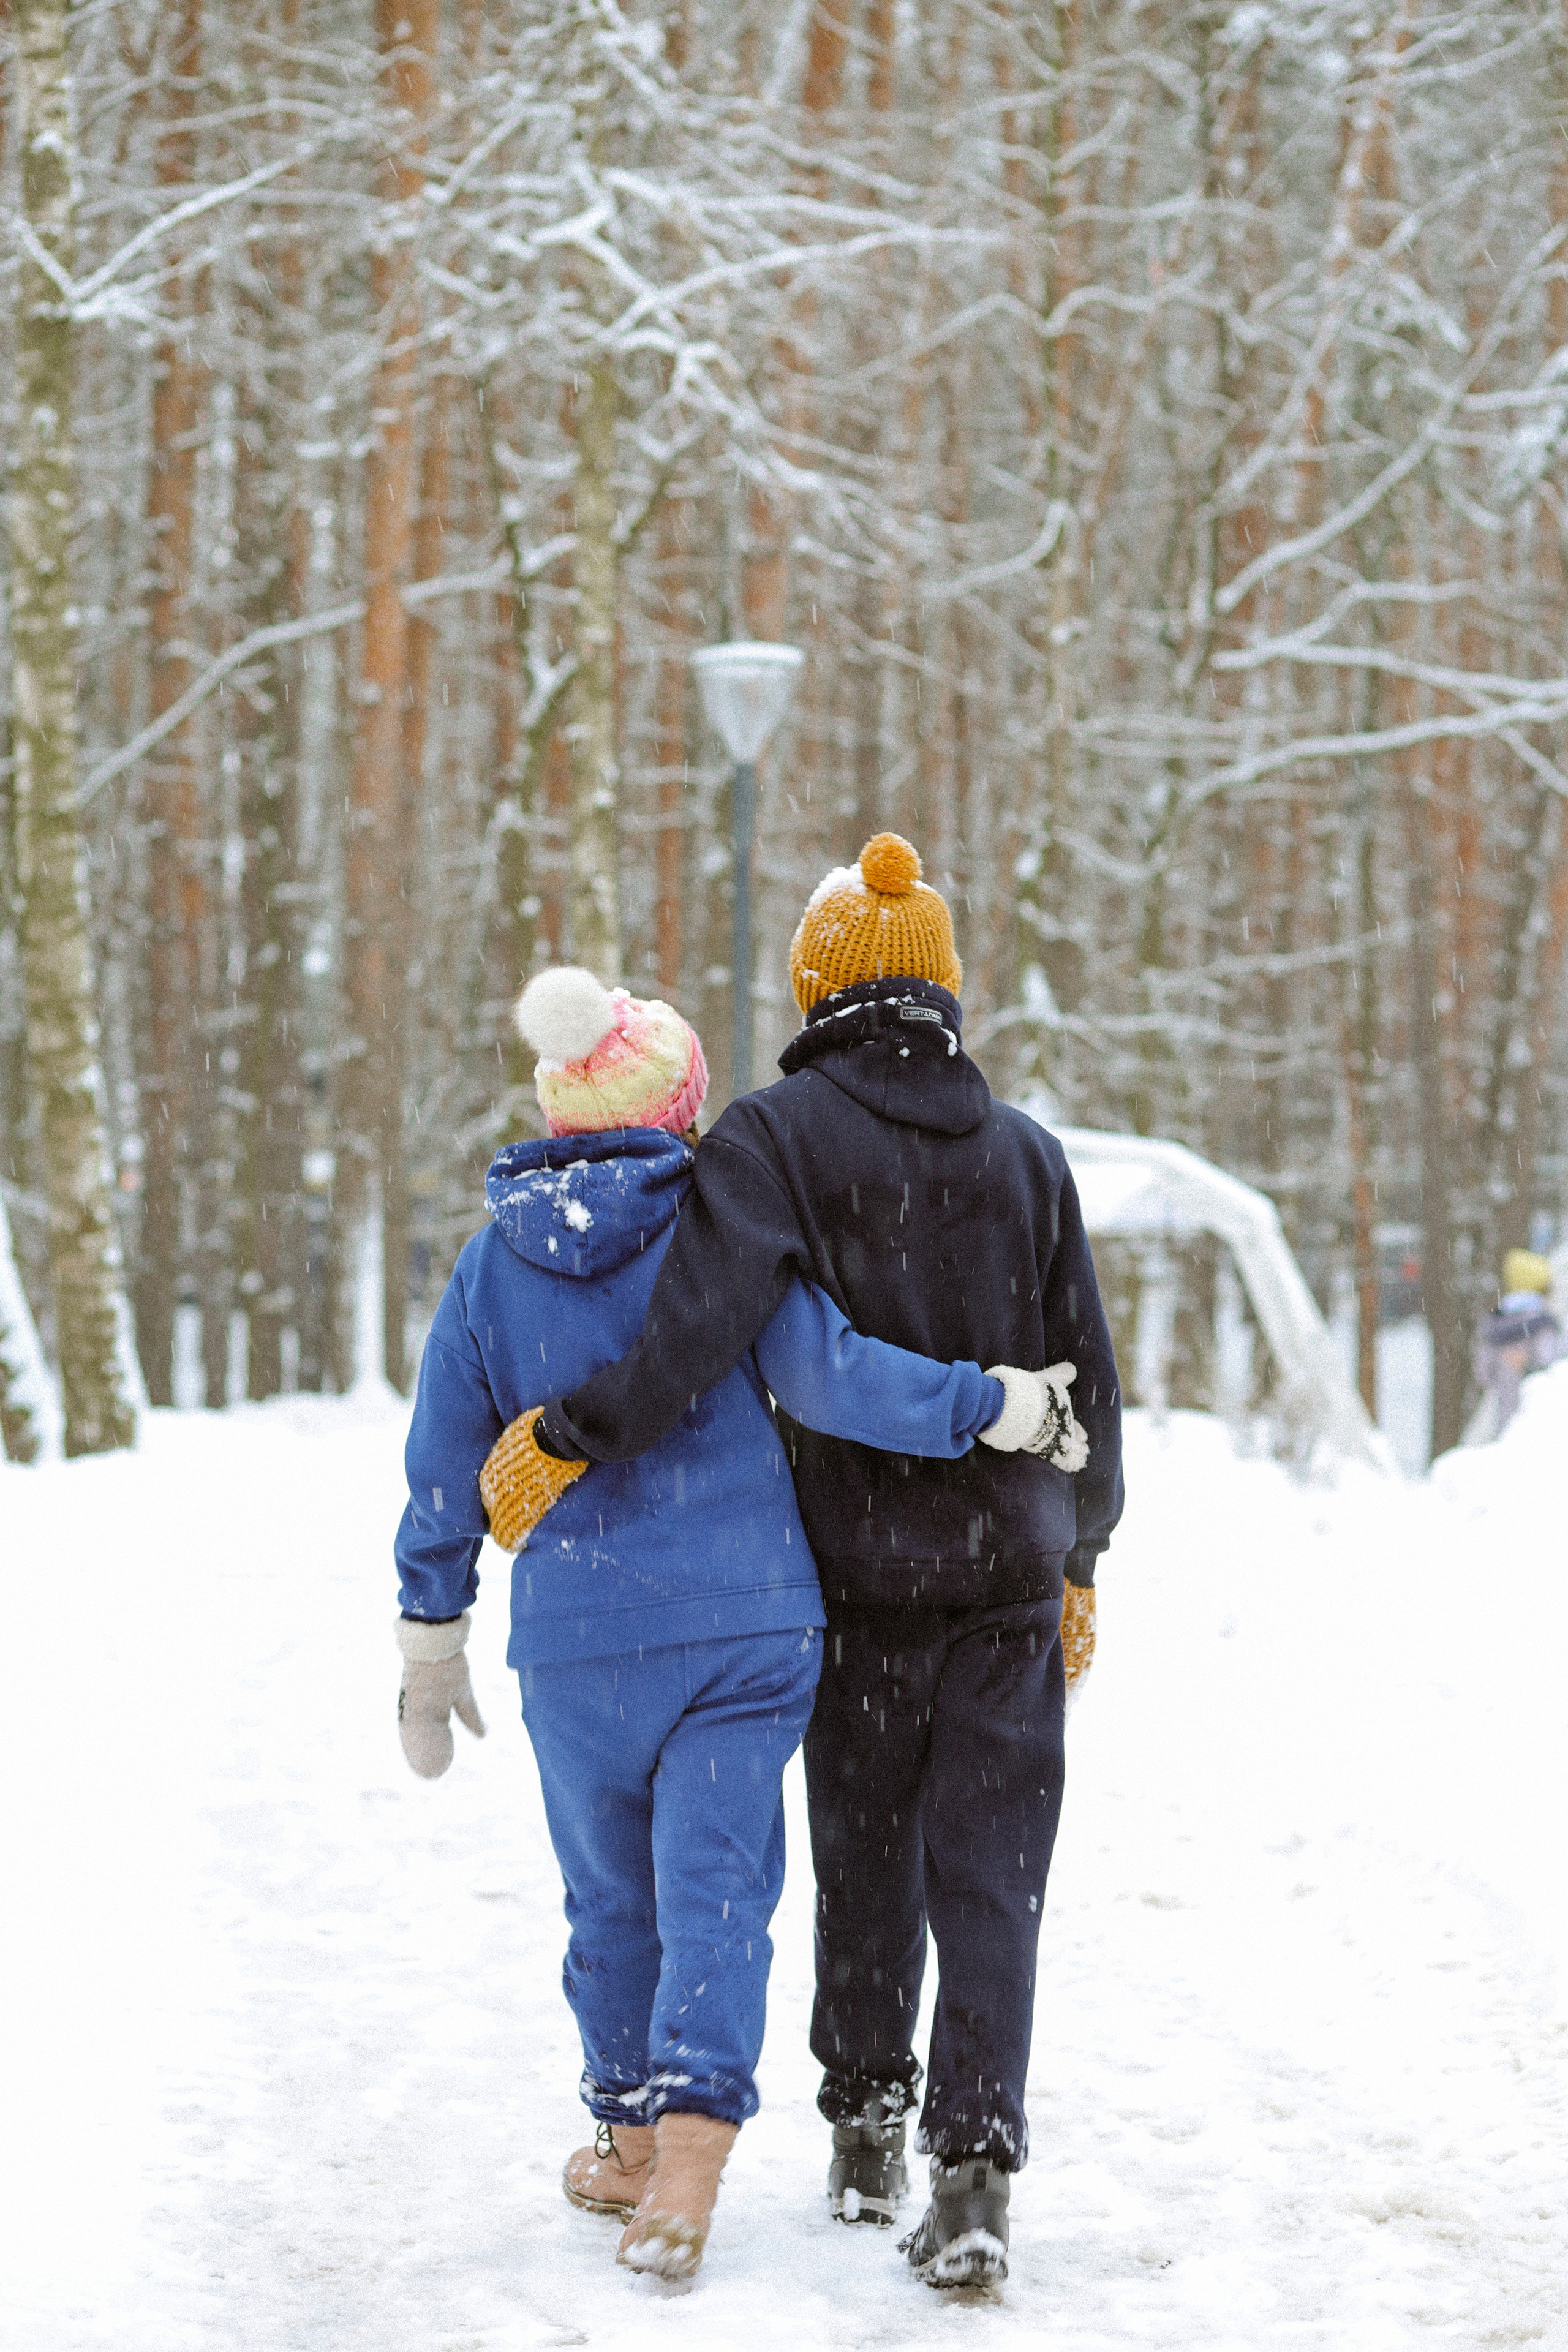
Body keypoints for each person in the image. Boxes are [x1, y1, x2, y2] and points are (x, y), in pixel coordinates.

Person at [393, 964, 1058, 2285]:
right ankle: (693, 2148)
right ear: (682, 1106)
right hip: (751, 1627)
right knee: (719, 1891)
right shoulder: (718, 1225)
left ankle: (631, 2140)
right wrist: (980, 1403)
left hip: (579, 1639)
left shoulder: (486, 1267)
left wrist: (432, 1634)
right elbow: (833, 1373)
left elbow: (441, 1460)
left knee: (610, 1903)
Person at [522, 834, 1124, 2288]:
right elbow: (1086, 1373)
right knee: (991, 1869)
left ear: (816, 987)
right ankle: (970, 2166)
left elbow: (697, 1328)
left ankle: (864, 2119)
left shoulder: (773, 1136)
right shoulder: (1027, 1153)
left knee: (864, 1850)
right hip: (1001, 1568)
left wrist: (571, 1431)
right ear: (943, 993)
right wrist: (1084, 1551)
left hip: (848, 1568)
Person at [1471, 1248, 1562, 1440]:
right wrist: (1528, 1365)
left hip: (1505, 1425)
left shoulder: (1493, 1327)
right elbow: (1552, 1365)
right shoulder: (1544, 1326)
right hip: (1541, 1426)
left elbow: (1484, 1374)